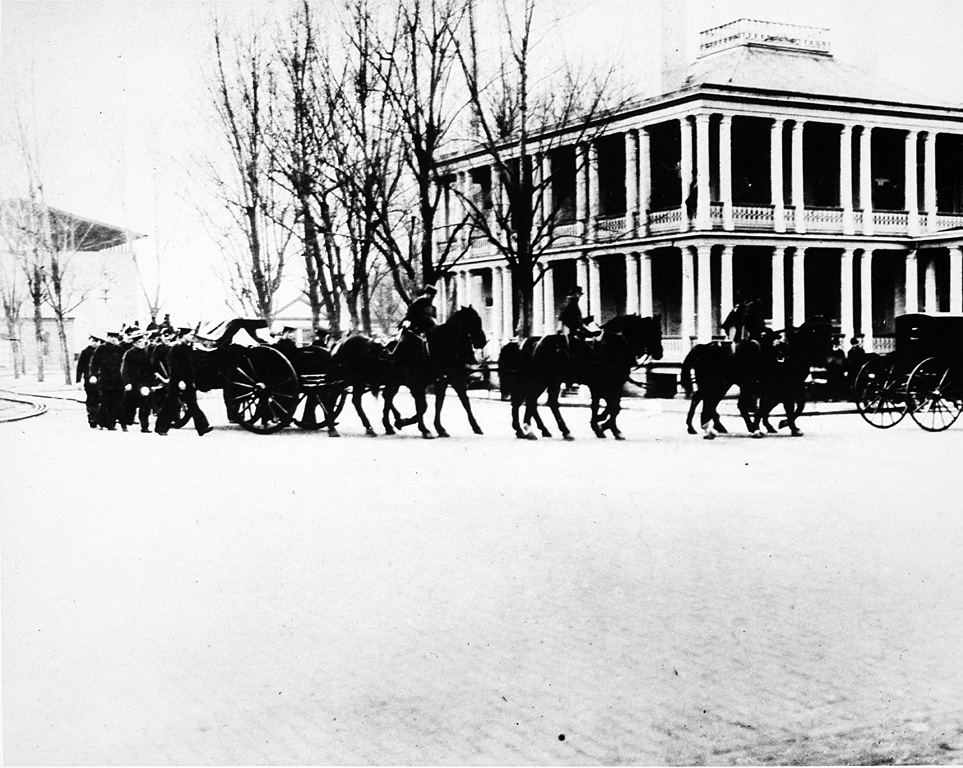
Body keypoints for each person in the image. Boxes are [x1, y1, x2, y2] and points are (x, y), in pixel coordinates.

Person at [154, 330, 212, 437]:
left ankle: (202, 427)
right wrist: (180, 380)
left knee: (192, 404)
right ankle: (161, 428)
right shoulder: (176, 347)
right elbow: (174, 366)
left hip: (187, 381)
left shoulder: (187, 347)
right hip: (178, 381)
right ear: (183, 335)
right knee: (170, 404)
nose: (192, 336)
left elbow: (190, 367)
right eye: (190, 334)